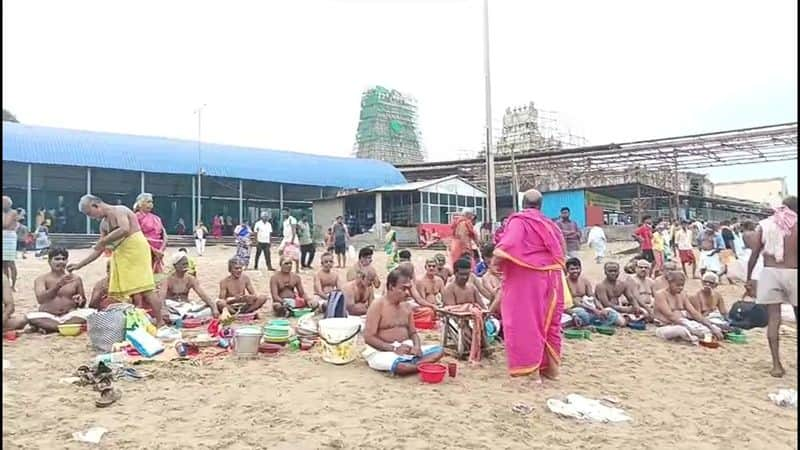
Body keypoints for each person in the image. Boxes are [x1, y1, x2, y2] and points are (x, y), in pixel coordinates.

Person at [493, 189, 567, 382]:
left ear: (523, 204)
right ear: (540, 206)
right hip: (553, 276)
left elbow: (508, 243)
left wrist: (496, 261)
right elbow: (561, 251)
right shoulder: (549, 224)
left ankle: (532, 373)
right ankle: (551, 370)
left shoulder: (519, 220)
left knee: (525, 322)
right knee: (549, 322)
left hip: (528, 277)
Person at [67, 194, 165, 325]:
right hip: (120, 254)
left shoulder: (120, 210)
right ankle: (133, 319)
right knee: (126, 291)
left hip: (136, 250)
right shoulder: (104, 224)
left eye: (90, 213)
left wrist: (104, 240)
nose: (91, 218)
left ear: (96, 205)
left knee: (146, 287)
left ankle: (160, 321)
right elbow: (99, 249)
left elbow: (124, 229)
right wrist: (79, 265)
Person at [746, 196, 797, 377]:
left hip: (769, 273)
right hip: (794, 273)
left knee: (774, 319)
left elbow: (754, 255)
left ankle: (776, 365)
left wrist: (749, 278)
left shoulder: (765, 225)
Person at [362, 269, 444, 375]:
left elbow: (413, 333)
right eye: (403, 289)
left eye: (408, 289)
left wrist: (417, 347)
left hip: (406, 348)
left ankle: (414, 365)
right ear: (391, 287)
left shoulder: (406, 306)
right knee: (401, 367)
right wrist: (393, 348)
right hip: (382, 351)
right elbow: (368, 337)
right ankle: (418, 365)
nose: (407, 293)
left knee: (439, 350)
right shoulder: (378, 305)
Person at [27, 247, 93, 333]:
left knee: (91, 313)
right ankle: (63, 327)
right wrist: (58, 285)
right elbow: (41, 300)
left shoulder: (76, 279)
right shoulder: (41, 279)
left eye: (63, 259)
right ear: (49, 261)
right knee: (30, 317)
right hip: (47, 315)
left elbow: (82, 303)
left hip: (69, 316)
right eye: (57, 259)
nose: (61, 262)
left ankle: (52, 328)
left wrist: (80, 300)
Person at [653, 271, 723, 343]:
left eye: (682, 285)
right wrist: (688, 324)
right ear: (669, 283)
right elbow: (670, 315)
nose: (680, 288)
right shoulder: (660, 295)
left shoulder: (682, 294)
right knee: (680, 331)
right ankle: (691, 337)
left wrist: (710, 327)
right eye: (678, 285)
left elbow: (694, 313)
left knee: (712, 330)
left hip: (684, 323)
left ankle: (692, 336)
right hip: (665, 326)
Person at [565, 258, 625, 328]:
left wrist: (601, 309)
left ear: (580, 268)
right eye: (572, 269)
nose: (575, 271)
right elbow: (573, 301)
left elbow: (592, 297)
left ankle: (595, 323)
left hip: (589, 306)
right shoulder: (565, 282)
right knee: (584, 315)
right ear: (567, 270)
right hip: (574, 309)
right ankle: (592, 323)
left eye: (577, 268)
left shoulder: (584, 280)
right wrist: (593, 310)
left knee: (610, 314)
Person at [160, 252, 219, 320]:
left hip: (187, 306)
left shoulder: (190, 279)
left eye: (186, 264)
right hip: (172, 307)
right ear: (175, 265)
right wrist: (163, 310)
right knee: (168, 314)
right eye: (183, 264)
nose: (186, 266)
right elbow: (161, 297)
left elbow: (203, 295)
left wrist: (214, 308)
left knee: (209, 310)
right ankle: (185, 316)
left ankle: (185, 316)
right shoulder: (167, 279)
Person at [133, 193, 167, 275]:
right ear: (140, 204)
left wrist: (161, 250)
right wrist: (153, 250)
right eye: (148, 202)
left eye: (151, 202)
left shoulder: (156, 218)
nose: (151, 204)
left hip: (158, 251)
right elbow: (136, 235)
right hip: (143, 250)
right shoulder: (135, 217)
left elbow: (164, 234)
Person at [2, 196, 18, 291]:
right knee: (3, 263)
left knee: (10, 262)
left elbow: (6, 224)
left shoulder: (13, 212)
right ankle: (6, 284)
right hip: (3, 235)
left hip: (9, 237)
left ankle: (13, 284)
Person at [278, 208, 300, 273]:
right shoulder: (285, 220)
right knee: (280, 251)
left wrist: (292, 241)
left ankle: (297, 269)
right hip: (285, 238)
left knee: (294, 254)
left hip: (292, 238)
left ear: (288, 212)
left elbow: (294, 231)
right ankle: (283, 266)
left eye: (285, 212)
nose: (284, 214)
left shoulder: (292, 219)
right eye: (283, 212)